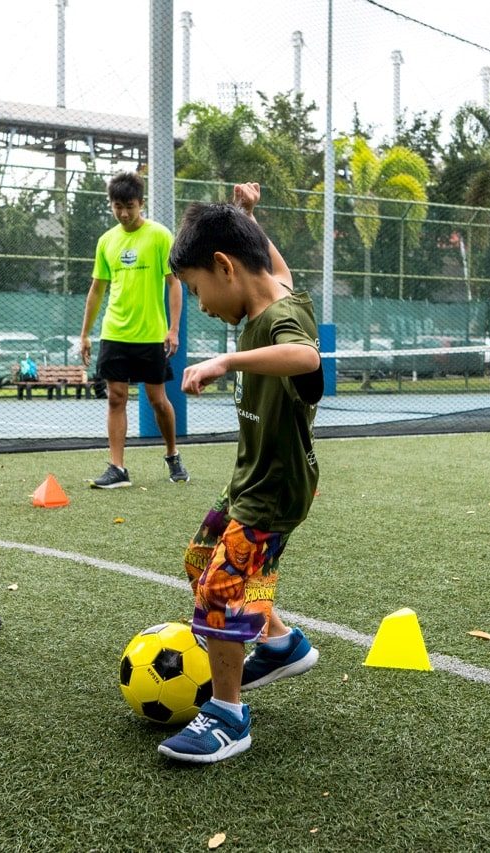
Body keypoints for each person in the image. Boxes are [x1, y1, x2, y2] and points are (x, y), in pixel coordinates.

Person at [157, 183, 323, 764]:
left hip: (275, 485)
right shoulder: (273, 287)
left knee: (223, 591)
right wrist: (249, 217)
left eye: (198, 289)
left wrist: (226, 359)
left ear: (224, 268)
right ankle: (280, 643)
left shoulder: (279, 316)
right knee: (201, 561)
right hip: (249, 476)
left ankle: (228, 715)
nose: (200, 304)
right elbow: (272, 264)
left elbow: (307, 357)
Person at [79, 170, 189, 489]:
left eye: (129, 205)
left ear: (141, 202)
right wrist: (85, 333)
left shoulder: (159, 236)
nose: (124, 213)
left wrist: (173, 329)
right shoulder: (106, 241)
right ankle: (117, 467)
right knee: (116, 397)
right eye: (117, 206)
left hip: (151, 334)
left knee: (157, 400)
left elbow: (174, 284)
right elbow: (97, 290)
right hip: (114, 332)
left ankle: (172, 454)